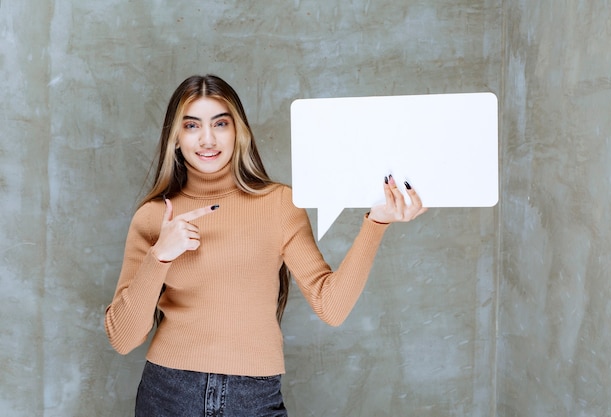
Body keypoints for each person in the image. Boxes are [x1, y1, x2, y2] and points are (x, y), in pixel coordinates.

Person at [104, 74, 428, 417]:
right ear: (175, 139)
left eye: (220, 123)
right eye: (191, 125)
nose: (207, 138)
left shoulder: (280, 203)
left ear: (239, 131)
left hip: (254, 396)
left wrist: (375, 223)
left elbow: (331, 307)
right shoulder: (154, 216)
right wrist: (160, 256)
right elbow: (123, 339)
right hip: (169, 394)